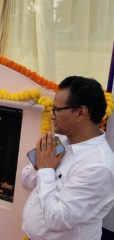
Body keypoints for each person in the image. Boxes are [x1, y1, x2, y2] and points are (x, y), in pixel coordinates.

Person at [22, 76, 114, 240]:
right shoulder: (61, 140)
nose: (52, 115)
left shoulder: (98, 167)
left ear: (80, 113)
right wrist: (44, 168)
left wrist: (46, 170)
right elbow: (26, 180)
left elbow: (57, 220)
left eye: (56, 109)